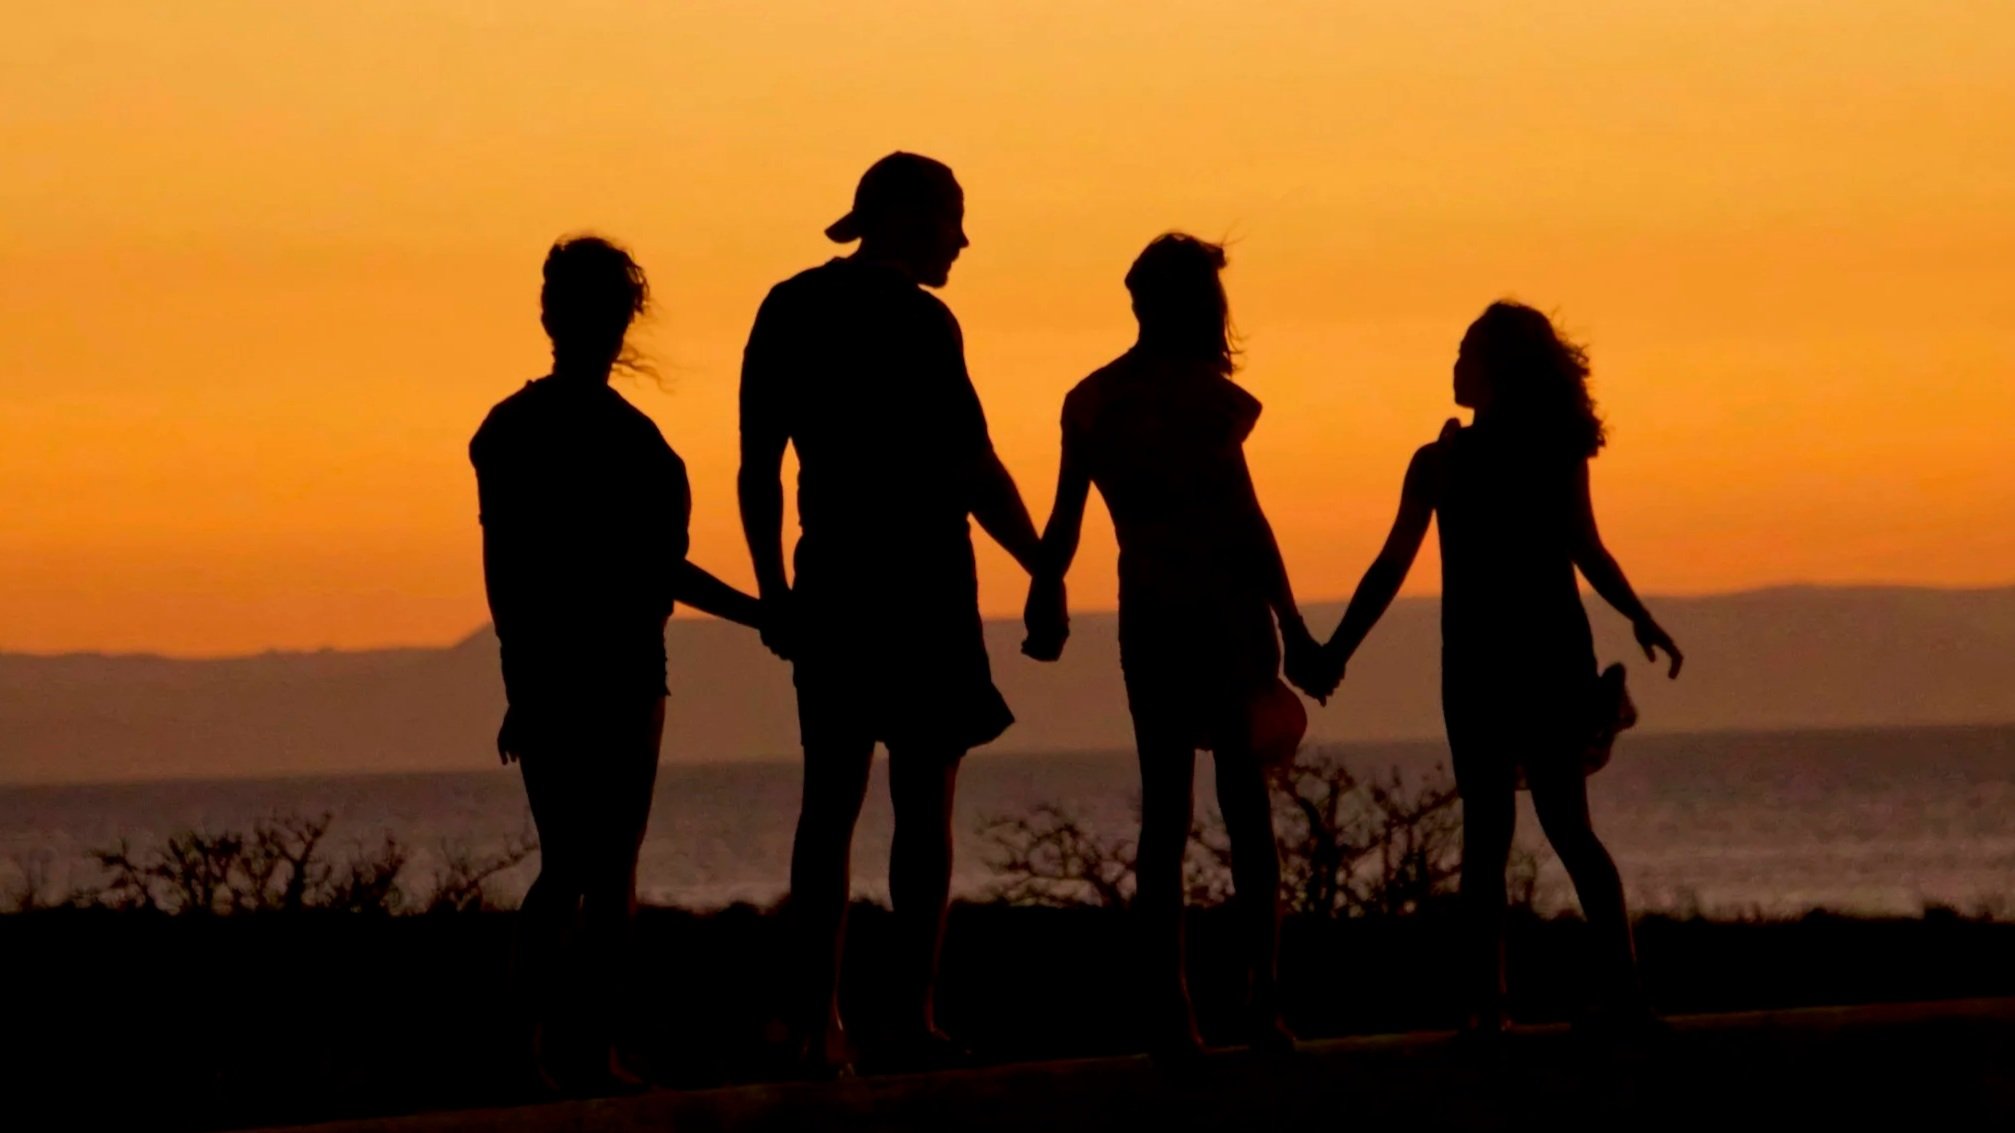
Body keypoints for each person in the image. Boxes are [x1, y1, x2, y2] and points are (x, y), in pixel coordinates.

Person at [737, 152, 1051, 1074]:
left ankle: (815, 1023)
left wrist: (772, 590)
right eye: (953, 218)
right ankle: (910, 1017)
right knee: (922, 810)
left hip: (830, 581)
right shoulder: (922, 322)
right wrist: (1043, 564)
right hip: (922, 589)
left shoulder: (787, 306)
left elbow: (760, 469)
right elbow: (971, 466)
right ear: (909, 220)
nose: (961, 239)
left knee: (826, 808)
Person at [1310, 300, 1684, 1039]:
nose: (1452, 366)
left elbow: (1393, 567)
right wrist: (1336, 650)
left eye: (1464, 354)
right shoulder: (1498, 456)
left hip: (1495, 662)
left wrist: (1334, 651)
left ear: (1494, 370)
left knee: (1500, 834)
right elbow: (1585, 548)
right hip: (1530, 657)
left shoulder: (1449, 461)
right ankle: (1599, 993)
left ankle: (1501, 1002)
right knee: (1557, 830)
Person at [470, 236, 762, 1093]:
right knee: (597, 866)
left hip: (581, 668)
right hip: (608, 671)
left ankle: (552, 1050)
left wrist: (519, 678)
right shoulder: (613, 439)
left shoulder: (525, 430)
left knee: (578, 864)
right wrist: (761, 613)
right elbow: (641, 568)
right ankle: (572, 1052)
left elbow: (510, 573)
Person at [1022, 233, 1322, 1058]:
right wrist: (1292, 624)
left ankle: (1174, 1009)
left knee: (1167, 813)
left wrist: (1045, 593)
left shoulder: (1091, 400)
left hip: (1148, 614)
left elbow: (1065, 521)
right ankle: (1258, 1003)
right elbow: (1245, 524)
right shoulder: (1210, 400)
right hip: (1223, 616)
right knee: (1245, 812)